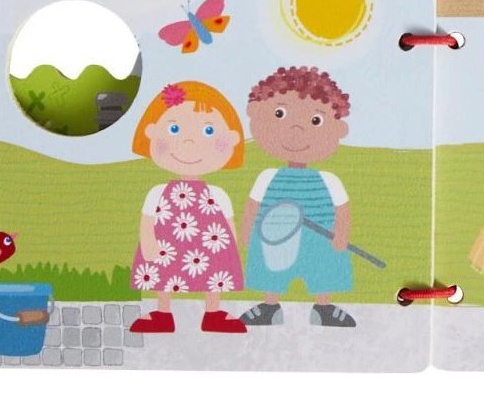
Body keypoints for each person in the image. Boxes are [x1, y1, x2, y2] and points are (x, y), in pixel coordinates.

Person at [239, 66, 356, 328]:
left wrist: (341, 235)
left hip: (319, 238)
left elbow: (342, 211)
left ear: (338, 129)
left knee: (324, 267)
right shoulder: (267, 177)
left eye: (315, 120)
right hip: (273, 236)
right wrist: (245, 232)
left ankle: (323, 307)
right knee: (269, 268)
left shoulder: (329, 180)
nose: (296, 130)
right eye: (279, 114)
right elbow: (252, 207)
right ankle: (270, 305)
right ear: (257, 113)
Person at [128, 81, 247, 334]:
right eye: (174, 129)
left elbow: (229, 227)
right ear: (151, 132)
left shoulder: (218, 195)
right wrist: (148, 244)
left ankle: (212, 313)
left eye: (208, 131)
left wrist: (231, 255)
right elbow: (147, 221)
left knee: (214, 274)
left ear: (231, 139)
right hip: (166, 250)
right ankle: (163, 313)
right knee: (163, 272)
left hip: (209, 252)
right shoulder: (157, 192)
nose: (189, 142)